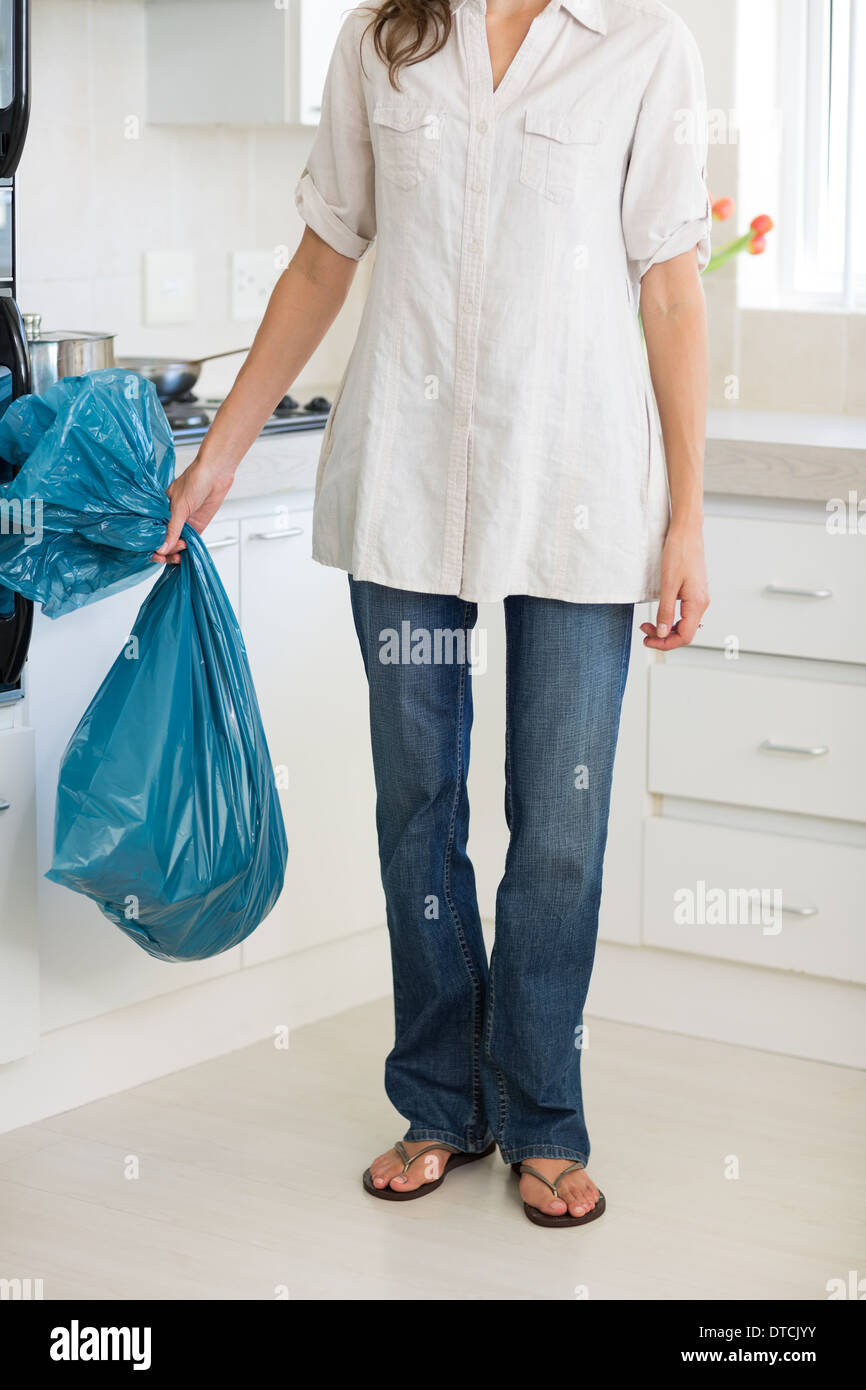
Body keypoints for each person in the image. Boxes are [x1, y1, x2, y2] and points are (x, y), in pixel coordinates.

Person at [155, 0, 711, 1228]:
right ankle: (440, 1101)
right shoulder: (382, 37)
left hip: (574, 488)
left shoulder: (642, 44)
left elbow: (670, 289)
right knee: (417, 805)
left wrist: (684, 516)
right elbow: (323, 256)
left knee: (557, 826)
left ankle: (543, 1116)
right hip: (407, 480)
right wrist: (223, 456)